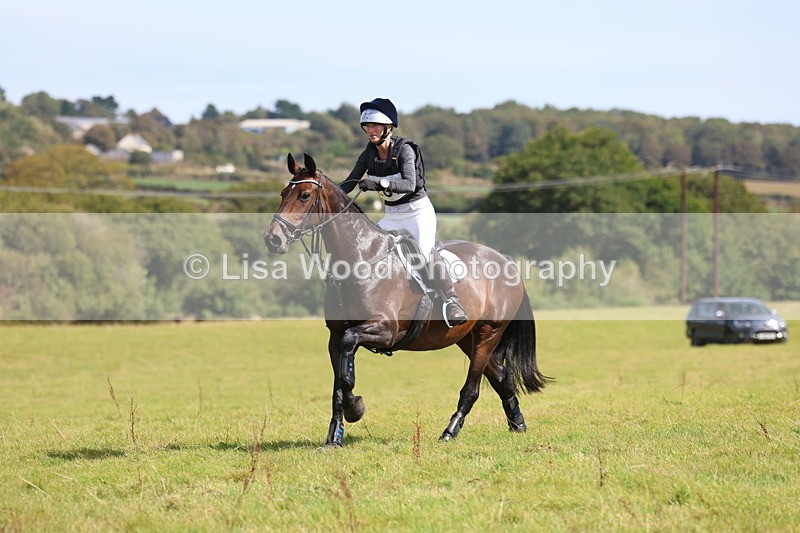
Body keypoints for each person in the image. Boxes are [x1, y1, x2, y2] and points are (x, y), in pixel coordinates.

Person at [340, 97, 468, 327]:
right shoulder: (368, 154)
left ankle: (452, 301)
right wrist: (327, 195)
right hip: (392, 214)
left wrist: (379, 185)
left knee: (425, 253)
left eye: (376, 126)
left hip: (417, 212)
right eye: (368, 126)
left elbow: (410, 184)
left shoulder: (405, 150)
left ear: (389, 128)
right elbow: (350, 182)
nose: (371, 130)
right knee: (372, 253)